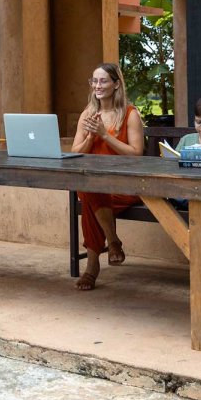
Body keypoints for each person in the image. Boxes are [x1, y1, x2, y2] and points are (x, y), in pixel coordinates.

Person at [71, 62, 145, 291]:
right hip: (95, 184)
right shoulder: (88, 114)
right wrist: (92, 139)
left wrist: (104, 134)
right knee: (91, 190)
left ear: (116, 84)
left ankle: (92, 267)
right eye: (94, 81)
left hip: (125, 185)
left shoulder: (130, 114)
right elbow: (75, 152)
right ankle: (112, 242)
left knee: (89, 196)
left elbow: (136, 154)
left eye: (103, 80)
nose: (98, 85)